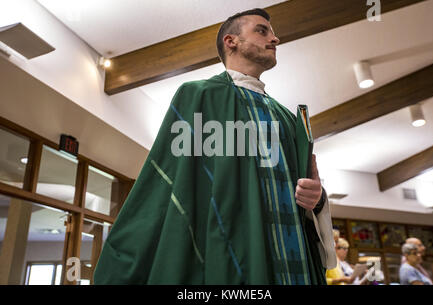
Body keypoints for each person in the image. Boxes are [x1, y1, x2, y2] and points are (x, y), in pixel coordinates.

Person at [93, 8, 336, 285]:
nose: (275, 38)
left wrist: (317, 200)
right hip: (233, 262)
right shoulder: (198, 96)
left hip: (295, 264)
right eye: (262, 30)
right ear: (230, 41)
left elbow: (303, 195)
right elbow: (165, 186)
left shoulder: (287, 118)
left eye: (272, 32)